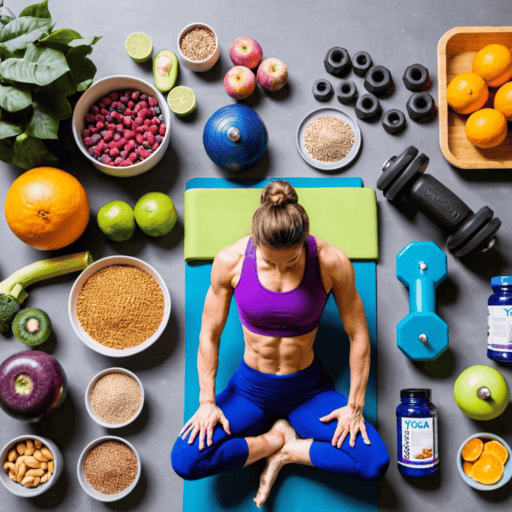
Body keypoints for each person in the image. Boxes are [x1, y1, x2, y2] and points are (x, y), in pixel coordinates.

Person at [171, 180, 389, 508]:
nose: (281, 269)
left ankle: (290, 451)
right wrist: (207, 402)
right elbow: (208, 334)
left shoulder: (331, 261)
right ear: (257, 243)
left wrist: (355, 406)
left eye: (291, 261)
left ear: (304, 241)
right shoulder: (230, 260)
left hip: (308, 393)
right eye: (271, 262)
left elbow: (358, 334)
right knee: (186, 461)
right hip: (249, 391)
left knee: (373, 462)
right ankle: (274, 439)